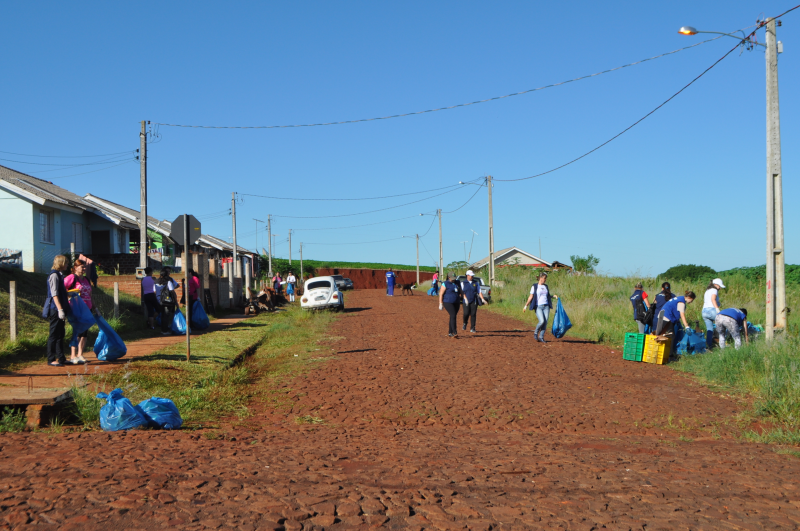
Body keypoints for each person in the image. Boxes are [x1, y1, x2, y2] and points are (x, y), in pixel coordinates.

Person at [64, 259, 97, 364]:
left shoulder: (86, 279)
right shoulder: (72, 278)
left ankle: (80, 354)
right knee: (77, 331)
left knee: (84, 332)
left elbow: (90, 295)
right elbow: (62, 289)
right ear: (75, 267)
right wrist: (69, 296)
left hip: (88, 308)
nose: (84, 269)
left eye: (84, 267)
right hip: (77, 308)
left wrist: (95, 308)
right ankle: (73, 355)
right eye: (82, 267)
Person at [42, 255, 70, 366]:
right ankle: (51, 358)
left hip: (60, 307)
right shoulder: (54, 275)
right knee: (53, 334)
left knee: (60, 334)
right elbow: (54, 294)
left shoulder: (60, 275)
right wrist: (60, 309)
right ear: (61, 263)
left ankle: (61, 357)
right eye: (66, 263)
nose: (67, 265)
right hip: (55, 308)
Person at [522, 272, 558, 343]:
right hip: (538, 306)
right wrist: (525, 306)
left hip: (546, 306)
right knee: (542, 321)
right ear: (540, 278)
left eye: (546, 278)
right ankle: (536, 332)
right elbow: (531, 296)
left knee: (545, 322)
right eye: (544, 278)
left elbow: (547, 296)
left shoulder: (546, 286)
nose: (545, 280)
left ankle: (541, 337)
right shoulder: (535, 286)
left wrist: (553, 296)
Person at [702, 278, 725, 350]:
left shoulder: (707, 290)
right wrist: (717, 309)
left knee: (710, 330)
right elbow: (713, 299)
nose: (720, 288)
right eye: (719, 286)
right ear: (715, 284)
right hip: (711, 310)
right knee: (724, 324)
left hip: (704, 311)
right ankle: (723, 344)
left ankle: (709, 347)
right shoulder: (714, 290)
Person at [156, 268, 179, 335]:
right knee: (166, 316)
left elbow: (154, 291)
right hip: (167, 301)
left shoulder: (156, 281)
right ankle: (165, 330)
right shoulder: (168, 281)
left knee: (162, 315)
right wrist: (176, 301)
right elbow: (172, 292)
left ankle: (162, 329)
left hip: (159, 301)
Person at [438, 272, 461, 337]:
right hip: (448, 302)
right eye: (452, 278)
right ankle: (455, 332)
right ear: (449, 277)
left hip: (456, 302)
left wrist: (463, 297)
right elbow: (441, 294)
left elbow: (460, 290)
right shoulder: (445, 284)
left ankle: (450, 332)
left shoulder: (457, 282)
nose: (454, 280)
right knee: (453, 315)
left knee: (452, 316)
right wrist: (440, 303)